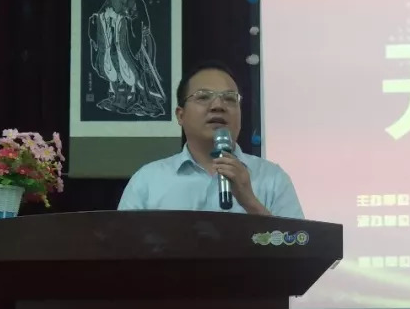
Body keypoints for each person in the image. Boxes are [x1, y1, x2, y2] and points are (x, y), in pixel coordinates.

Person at [117, 61, 304, 218]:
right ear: (180, 115)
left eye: (229, 98)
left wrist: (250, 202)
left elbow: (299, 248)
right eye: (203, 97)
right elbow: (121, 247)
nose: (218, 106)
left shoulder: (273, 179)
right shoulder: (148, 181)